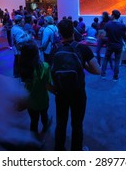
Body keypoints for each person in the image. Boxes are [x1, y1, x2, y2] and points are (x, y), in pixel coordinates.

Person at [52, 19, 100, 151]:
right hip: (78, 93)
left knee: (61, 123)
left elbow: (52, 70)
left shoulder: (55, 48)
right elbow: (98, 70)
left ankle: (59, 149)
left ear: (60, 33)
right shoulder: (83, 48)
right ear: (73, 31)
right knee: (77, 124)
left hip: (60, 92)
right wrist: (83, 65)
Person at [18, 40, 53, 137]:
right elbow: (48, 85)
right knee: (44, 115)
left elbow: (23, 84)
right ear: (36, 53)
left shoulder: (23, 67)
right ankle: (45, 127)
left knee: (33, 121)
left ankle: (33, 142)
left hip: (30, 101)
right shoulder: (45, 66)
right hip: (43, 99)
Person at [101, 10, 126, 81]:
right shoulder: (122, 25)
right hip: (118, 45)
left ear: (113, 16)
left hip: (110, 45)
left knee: (106, 58)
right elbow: (123, 35)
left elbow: (103, 35)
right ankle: (115, 77)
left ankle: (103, 74)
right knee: (117, 61)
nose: (110, 16)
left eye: (111, 15)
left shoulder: (108, 25)